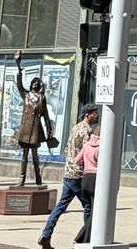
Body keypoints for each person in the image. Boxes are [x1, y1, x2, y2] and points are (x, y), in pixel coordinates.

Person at [39, 103, 99, 249]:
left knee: (60, 206)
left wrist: (70, 164)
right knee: (89, 207)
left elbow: (67, 148)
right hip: (78, 175)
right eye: (94, 113)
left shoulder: (75, 127)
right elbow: (87, 152)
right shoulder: (87, 131)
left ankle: (46, 235)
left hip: (68, 173)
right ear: (87, 115)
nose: (97, 115)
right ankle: (88, 239)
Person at [14, 77, 56, 187]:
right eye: (33, 82)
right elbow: (19, 86)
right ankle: (21, 179)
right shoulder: (26, 95)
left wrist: (49, 131)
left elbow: (46, 115)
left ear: (39, 86)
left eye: (37, 83)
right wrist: (19, 71)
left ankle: (38, 177)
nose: (35, 84)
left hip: (36, 130)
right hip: (25, 130)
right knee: (24, 155)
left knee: (35, 155)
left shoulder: (42, 98)